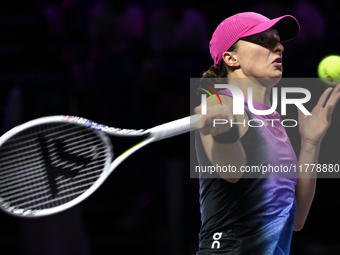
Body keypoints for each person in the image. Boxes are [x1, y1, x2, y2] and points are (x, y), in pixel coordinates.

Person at [194, 12, 340, 254]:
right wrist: (223, 133)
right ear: (231, 58)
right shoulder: (220, 104)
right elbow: (231, 172)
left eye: (278, 40)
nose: (280, 47)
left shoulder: (273, 119)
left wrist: (310, 144)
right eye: (263, 40)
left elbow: (298, 219)